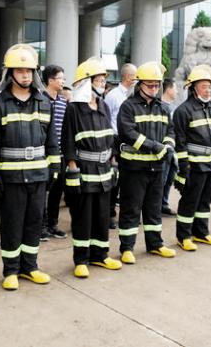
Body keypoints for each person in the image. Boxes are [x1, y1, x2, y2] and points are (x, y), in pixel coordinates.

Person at [0, 44, 60, 290]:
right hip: (11, 177)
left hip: (38, 176)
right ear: (10, 73)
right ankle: (11, 271)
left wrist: (54, 168)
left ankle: (30, 267)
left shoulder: (43, 102)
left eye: (29, 71)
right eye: (20, 70)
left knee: (34, 223)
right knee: (12, 224)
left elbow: (52, 141)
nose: (25, 75)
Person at [61, 58, 122, 278]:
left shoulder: (103, 106)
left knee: (102, 215)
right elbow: (67, 141)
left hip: (104, 170)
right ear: (86, 82)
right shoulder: (74, 109)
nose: (103, 83)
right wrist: (73, 169)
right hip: (84, 171)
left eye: (104, 80)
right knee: (83, 217)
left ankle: (100, 255)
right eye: (98, 79)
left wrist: (113, 162)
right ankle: (81, 259)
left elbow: (109, 137)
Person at [117, 62, 177, 264]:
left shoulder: (163, 108)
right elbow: (128, 133)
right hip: (134, 168)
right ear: (139, 84)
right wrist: (154, 146)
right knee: (131, 209)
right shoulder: (128, 106)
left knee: (154, 208)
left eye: (156, 85)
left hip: (157, 168)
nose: (153, 89)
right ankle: (127, 248)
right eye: (150, 85)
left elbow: (171, 131)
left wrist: (168, 145)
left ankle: (155, 244)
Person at [173, 64, 211, 251]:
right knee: (190, 201)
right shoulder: (183, 111)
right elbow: (180, 142)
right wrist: (184, 167)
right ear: (193, 88)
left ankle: (201, 233)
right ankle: (184, 236)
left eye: (210, 86)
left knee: (205, 201)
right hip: (194, 166)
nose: (208, 90)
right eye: (204, 86)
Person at [104, 63, 137, 229]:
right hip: (115, 140)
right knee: (114, 180)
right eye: (135, 76)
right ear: (127, 77)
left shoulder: (135, 96)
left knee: (129, 180)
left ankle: (128, 213)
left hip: (132, 141)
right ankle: (109, 214)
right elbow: (106, 118)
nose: (137, 80)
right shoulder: (113, 96)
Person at [41, 64, 68, 240]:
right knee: (42, 192)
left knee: (57, 191)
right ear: (50, 80)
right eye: (60, 78)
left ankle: (52, 224)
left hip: (60, 154)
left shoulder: (63, 102)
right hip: (43, 155)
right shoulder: (40, 100)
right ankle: (41, 226)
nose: (63, 82)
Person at [160, 78, 177, 215]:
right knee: (162, 178)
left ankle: (164, 203)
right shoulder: (160, 106)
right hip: (162, 148)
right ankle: (157, 205)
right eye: (175, 88)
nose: (177, 91)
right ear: (169, 89)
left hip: (172, 148)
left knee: (170, 177)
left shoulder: (173, 107)